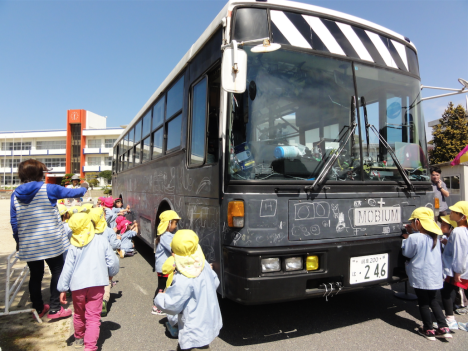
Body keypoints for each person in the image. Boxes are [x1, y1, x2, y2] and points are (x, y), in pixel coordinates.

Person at [10, 159, 88, 319]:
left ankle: (38, 308)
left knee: (36, 275)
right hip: (52, 241)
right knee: (57, 271)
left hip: (30, 243)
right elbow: (75, 193)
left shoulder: (15, 195)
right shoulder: (48, 189)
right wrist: (84, 187)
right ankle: (55, 308)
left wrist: (19, 241)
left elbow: (14, 221)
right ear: (40, 174)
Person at [58, 213, 119, 350]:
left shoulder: (72, 245)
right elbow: (113, 261)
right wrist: (111, 274)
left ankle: (79, 337)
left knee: (79, 313)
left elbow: (67, 268)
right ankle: (90, 347)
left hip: (77, 286)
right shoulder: (101, 241)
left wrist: (62, 288)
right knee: (93, 317)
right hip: (97, 284)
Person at [154, 230, 222, 351]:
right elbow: (215, 282)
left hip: (193, 329)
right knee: (203, 343)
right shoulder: (204, 264)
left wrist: (160, 297)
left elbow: (172, 304)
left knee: (191, 345)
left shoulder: (183, 278)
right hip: (209, 320)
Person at [401, 207, 450, 340]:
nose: (411, 224)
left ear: (418, 222)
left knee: (423, 302)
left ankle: (428, 329)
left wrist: (406, 238)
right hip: (434, 275)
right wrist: (411, 233)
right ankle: (443, 327)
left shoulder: (414, 238)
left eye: (412, 222)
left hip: (421, 276)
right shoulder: (435, 236)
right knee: (433, 300)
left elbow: (407, 253)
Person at [441, 201, 468, 330]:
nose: (450, 213)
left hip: (456, 270)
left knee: (446, 292)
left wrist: (458, 271)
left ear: (463, 217)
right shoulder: (464, 230)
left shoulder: (458, 231)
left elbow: (460, 252)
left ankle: (450, 320)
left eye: (454, 212)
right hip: (464, 269)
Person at [88, 207, 118, 317]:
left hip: (93, 260)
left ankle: (94, 300)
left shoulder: (89, 231)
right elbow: (114, 244)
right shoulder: (108, 230)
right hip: (106, 260)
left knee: (95, 280)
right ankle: (104, 301)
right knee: (106, 281)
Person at [152, 210, 181, 315]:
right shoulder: (166, 236)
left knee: (162, 285)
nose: (176, 226)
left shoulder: (165, 235)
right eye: (175, 223)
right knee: (163, 286)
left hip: (163, 266)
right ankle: (157, 306)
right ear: (168, 223)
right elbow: (173, 248)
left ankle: (158, 304)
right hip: (164, 266)